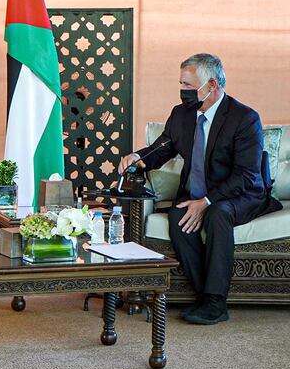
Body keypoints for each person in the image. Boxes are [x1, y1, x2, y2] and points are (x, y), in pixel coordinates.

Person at [118, 54, 281, 325]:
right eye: (181, 84)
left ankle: (216, 303)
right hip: (198, 194)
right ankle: (204, 295)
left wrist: (206, 200)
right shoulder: (181, 115)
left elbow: (246, 175)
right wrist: (137, 158)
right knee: (177, 215)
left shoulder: (244, 118)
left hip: (241, 194)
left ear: (212, 85)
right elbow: (162, 149)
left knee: (218, 213)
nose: (183, 91)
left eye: (189, 85)